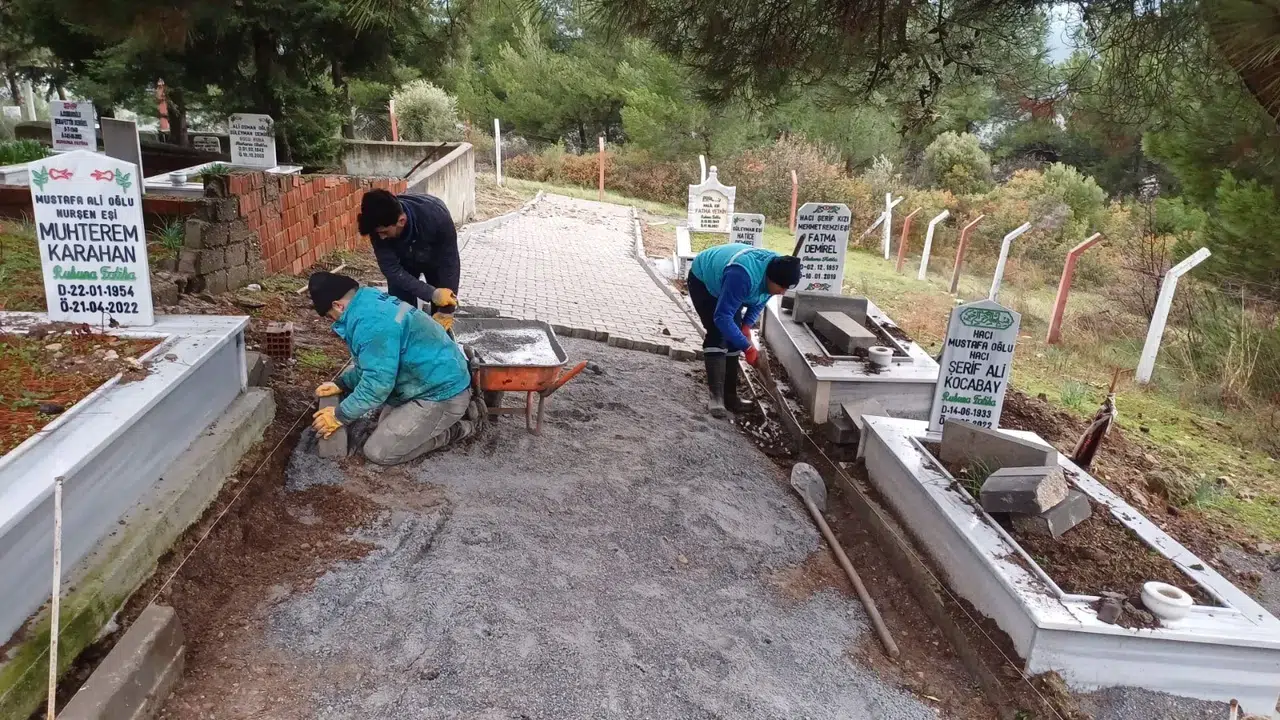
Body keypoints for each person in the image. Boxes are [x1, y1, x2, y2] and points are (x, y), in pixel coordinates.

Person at [308, 272, 476, 465]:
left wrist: (338, 416)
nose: (333, 320)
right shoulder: (367, 299)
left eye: (331, 316)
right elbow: (375, 363)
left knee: (379, 452)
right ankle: (446, 418)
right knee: (385, 428)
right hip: (424, 381)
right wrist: (343, 383)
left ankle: (460, 428)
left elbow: (377, 386)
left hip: (443, 393)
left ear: (338, 305)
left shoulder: (370, 324)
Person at [687, 243, 801, 417]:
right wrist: (747, 348)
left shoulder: (779, 267)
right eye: (781, 288)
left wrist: (746, 326)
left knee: (735, 337)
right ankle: (716, 398)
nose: (783, 293)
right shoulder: (742, 276)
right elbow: (722, 317)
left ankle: (730, 397)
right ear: (770, 278)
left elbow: (762, 297)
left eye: (786, 288)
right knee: (718, 332)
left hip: (732, 282)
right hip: (705, 280)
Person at [357, 188, 460, 332]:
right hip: (403, 263)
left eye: (384, 232)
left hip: (435, 259)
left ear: (401, 221)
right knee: (399, 313)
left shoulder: (436, 217)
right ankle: (403, 340)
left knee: (441, 316)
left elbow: (450, 265)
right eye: (378, 233)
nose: (381, 238)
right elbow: (391, 270)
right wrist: (430, 293)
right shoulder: (379, 225)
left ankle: (441, 345)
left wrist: (447, 309)